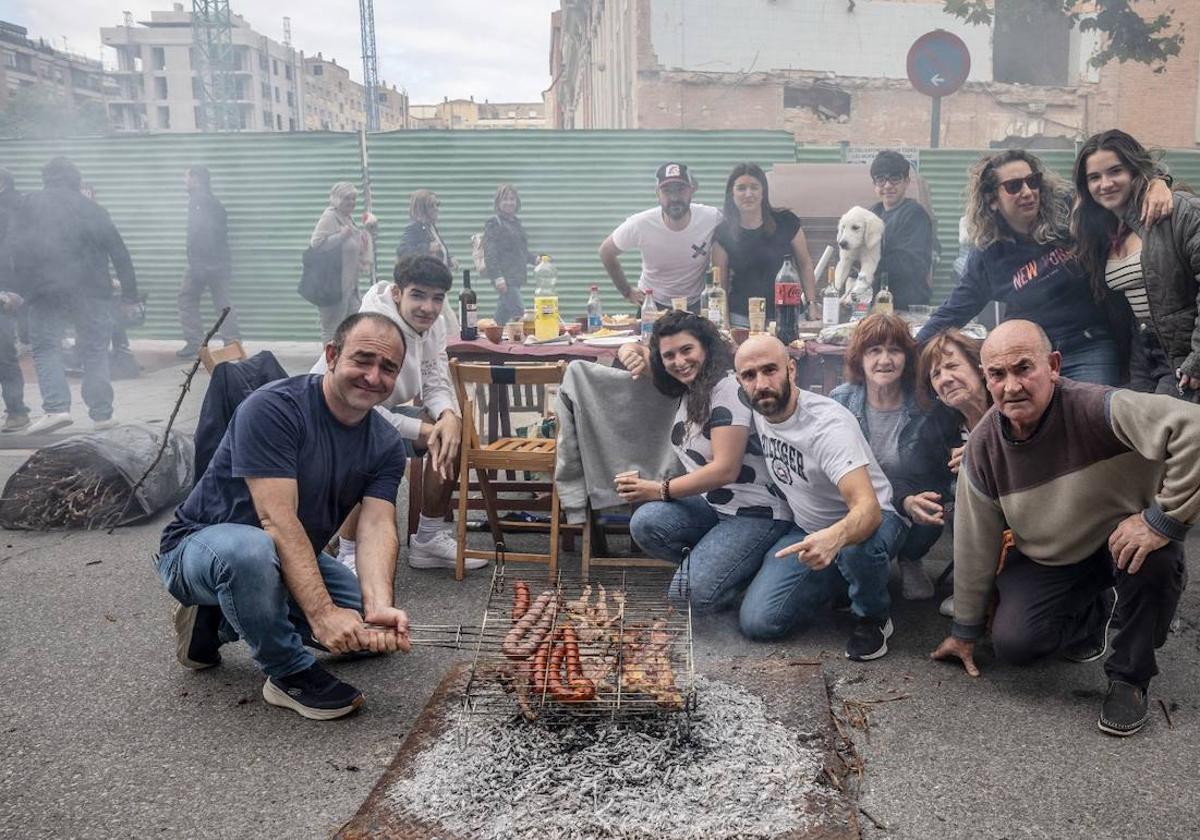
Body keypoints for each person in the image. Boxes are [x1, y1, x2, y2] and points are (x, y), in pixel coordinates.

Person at [931, 320, 1195, 737]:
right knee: (1015, 646)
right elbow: (973, 543)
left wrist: (1163, 519)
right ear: (987, 379)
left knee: (1156, 561)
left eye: (1023, 368)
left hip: (1123, 540)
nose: (1012, 386)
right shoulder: (983, 448)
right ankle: (1094, 612)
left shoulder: (1099, 407)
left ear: (1053, 365)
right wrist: (964, 631)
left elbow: (1195, 428)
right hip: (1053, 556)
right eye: (997, 375)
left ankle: (1130, 678)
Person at [157, 312, 413, 721]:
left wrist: (379, 604)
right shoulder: (274, 407)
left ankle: (216, 621)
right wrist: (322, 613)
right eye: (362, 359)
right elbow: (276, 519)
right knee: (251, 551)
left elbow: (377, 526)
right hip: (202, 545)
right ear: (331, 355)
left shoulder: (385, 442)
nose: (372, 376)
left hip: (283, 554)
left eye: (387, 368)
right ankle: (286, 673)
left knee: (364, 635)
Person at [916, 149, 1174, 386]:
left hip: (1089, 345)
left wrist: (1159, 182)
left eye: (1033, 181)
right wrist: (905, 349)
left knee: (1092, 418)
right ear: (992, 199)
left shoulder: (1072, 212)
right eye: (1014, 186)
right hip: (1031, 358)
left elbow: (1118, 186)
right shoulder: (988, 256)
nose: (1027, 192)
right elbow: (952, 312)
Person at [733, 335, 906, 660]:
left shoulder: (828, 425)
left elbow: (868, 510)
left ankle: (873, 617)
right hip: (808, 530)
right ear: (740, 381)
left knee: (855, 550)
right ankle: (843, 581)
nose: (761, 383)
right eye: (749, 375)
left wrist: (835, 537)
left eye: (770, 370)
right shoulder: (759, 406)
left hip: (874, 522)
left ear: (791, 370)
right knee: (759, 622)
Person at [311, 254, 482, 572]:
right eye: (418, 295)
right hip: (332, 419)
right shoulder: (375, 328)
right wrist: (424, 431)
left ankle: (428, 540)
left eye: (437, 298)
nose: (428, 308)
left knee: (452, 436)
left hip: (382, 411)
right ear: (396, 293)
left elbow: (435, 378)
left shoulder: (435, 324)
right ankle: (349, 552)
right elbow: (363, 410)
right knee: (364, 446)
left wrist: (448, 417)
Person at [614, 311, 793, 612]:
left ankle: (749, 571)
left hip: (757, 514)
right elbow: (639, 350)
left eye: (687, 350)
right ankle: (725, 563)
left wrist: (659, 489)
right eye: (669, 355)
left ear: (706, 348)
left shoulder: (728, 389)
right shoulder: (691, 383)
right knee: (645, 522)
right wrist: (627, 351)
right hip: (716, 506)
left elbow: (726, 469)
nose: (679, 361)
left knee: (688, 596)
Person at [830, 314, 961, 601]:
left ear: (908, 357)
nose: (885, 360)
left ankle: (910, 558)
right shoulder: (840, 402)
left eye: (895, 350)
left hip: (910, 506)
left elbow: (938, 473)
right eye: (874, 350)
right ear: (859, 359)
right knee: (837, 589)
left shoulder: (929, 406)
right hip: (857, 503)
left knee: (933, 502)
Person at [10, 157, 140, 434]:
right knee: (94, 350)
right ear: (76, 180)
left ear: (46, 179)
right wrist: (129, 294)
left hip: (47, 291)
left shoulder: (30, 204)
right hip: (92, 291)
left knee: (46, 347)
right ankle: (102, 415)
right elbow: (120, 252)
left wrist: (20, 288)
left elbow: (15, 248)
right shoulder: (94, 209)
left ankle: (57, 409)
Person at [1071, 129, 1200, 400]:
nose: (1105, 184)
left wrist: (1197, 357)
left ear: (1133, 170)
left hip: (1181, 350)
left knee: (1164, 433)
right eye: (1094, 177)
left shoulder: (1175, 210)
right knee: (1138, 432)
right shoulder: (1100, 230)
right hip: (1142, 352)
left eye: (1115, 171)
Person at [915, 328, 992, 617]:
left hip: (1031, 508)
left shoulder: (1008, 403)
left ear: (979, 368)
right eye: (936, 374)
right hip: (976, 514)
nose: (945, 379)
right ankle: (971, 588)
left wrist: (985, 457)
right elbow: (913, 472)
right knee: (955, 490)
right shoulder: (940, 422)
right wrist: (908, 499)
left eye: (952, 366)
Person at [599, 162, 723, 309]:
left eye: (680, 189)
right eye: (667, 191)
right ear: (657, 193)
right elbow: (606, 251)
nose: (674, 197)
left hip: (695, 305)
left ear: (692, 191)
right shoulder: (641, 223)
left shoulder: (711, 217)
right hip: (653, 305)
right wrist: (627, 291)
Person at [712, 162, 817, 326]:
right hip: (742, 320)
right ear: (731, 194)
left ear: (763, 192)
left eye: (754, 187)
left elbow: (805, 265)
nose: (748, 194)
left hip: (788, 315)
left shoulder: (786, 221)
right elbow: (720, 285)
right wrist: (724, 323)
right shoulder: (723, 233)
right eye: (741, 188)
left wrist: (812, 305)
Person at [177, 165, 240, 358]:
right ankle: (232, 344)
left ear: (196, 179)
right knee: (223, 303)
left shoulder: (199, 202)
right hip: (217, 263)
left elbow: (202, 234)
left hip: (205, 263)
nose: (183, 181)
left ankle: (195, 344)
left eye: (186, 177)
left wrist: (199, 264)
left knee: (186, 298)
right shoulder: (212, 201)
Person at [868, 150, 935, 310]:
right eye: (881, 179)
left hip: (906, 305)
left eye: (895, 178)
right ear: (874, 185)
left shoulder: (915, 214)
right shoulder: (873, 213)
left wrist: (868, 264)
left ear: (906, 182)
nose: (888, 185)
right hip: (877, 304)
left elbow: (910, 264)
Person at [310, 181, 375, 343]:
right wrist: (340, 236)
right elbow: (316, 244)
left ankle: (345, 360)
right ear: (337, 199)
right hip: (333, 287)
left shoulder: (347, 218)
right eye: (347, 199)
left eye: (353, 199)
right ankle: (328, 365)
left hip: (350, 287)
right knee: (332, 329)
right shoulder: (330, 216)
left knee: (353, 324)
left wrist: (366, 231)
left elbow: (353, 245)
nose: (351, 203)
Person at [482, 183, 536, 325]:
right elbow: (490, 253)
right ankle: (527, 346)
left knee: (499, 319)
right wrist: (498, 278)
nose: (509, 202)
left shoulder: (516, 223)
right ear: (498, 203)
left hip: (515, 278)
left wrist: (536, 259)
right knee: (520, 315)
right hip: (506, 280)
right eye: (505, 199)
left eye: (512, 199)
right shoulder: (494, 223)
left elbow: (521, 252)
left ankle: (491, 342)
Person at [0, 169, 29, 432]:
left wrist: (10, 290)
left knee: (4, 355)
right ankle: (17, 411)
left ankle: (17, 412)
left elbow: (12, 254)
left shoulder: (11, 209)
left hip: (3, 292)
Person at [397, 189, 453, 270]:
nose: (436, 209)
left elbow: (438, 251)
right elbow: (403, 251)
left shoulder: (430, 227)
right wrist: (427, 248)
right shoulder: (415, 227)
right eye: (431, 205)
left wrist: (449, 260)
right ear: (421, 208)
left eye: (437, 204)